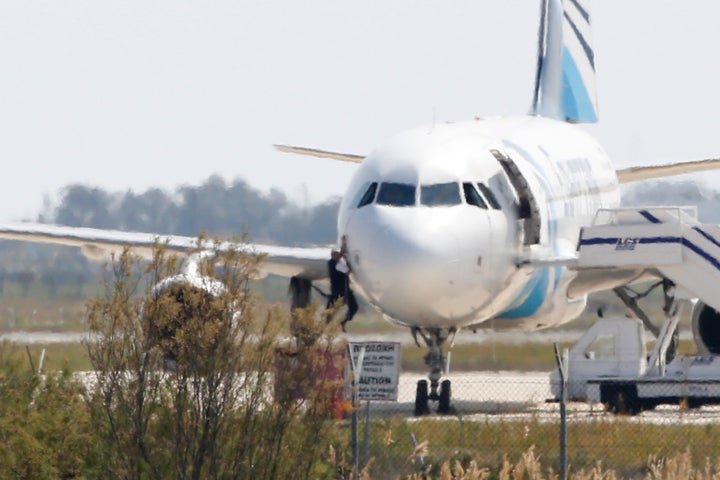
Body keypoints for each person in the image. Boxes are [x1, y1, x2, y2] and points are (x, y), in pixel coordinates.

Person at [326, 248, 358, 332]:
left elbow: (340, 253)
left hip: (337, 291)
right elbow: (348, 271)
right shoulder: (338, 265)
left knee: (330, 311)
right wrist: (347, 261)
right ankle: (340, 323)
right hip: (341, 292)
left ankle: (328, 326)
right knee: (353, 307)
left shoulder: (331, 263)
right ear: (334, 255)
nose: (340, 255)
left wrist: (344, 244)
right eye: (338, 254)